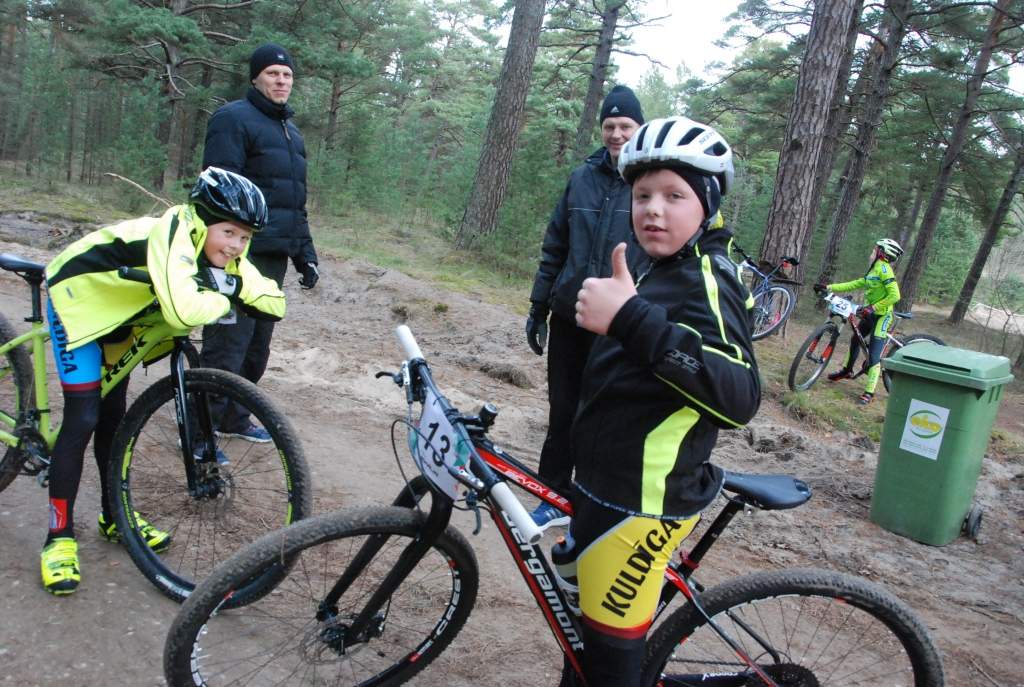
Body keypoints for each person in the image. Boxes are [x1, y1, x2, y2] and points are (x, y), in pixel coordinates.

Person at [562, 116, 760, 686]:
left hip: (644, 498)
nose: (654, 209)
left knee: (611, 663)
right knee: (583, 644)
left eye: (675, 196)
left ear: (707, 204)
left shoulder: (706, 277)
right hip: (604, 483)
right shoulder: (654, 264)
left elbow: (739, 395)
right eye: (643, 194)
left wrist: (628, 318)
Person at [39, 168, 286, 595]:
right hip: (78, 302)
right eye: (228, 232)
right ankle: (57, 538)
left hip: (119, 314)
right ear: (203, 221)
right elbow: (182, 311)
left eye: (245, 238)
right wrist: (225, 293)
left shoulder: (224, 252)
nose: (236, 246)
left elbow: (271, 298)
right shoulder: (175, 229)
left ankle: (114, 517)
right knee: (83, 418)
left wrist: (234, 285)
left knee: (114, 418)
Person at [526, 85, 645, 529]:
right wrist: (539, 306)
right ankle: (551, 496)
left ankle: (594, 509)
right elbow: (555, 244)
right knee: (563, 411)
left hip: (618, 322)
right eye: (610, 126)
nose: (616, 135)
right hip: (570, 313)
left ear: (639, 130)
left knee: (604, 417)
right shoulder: (581, 177)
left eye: (625, 127)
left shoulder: (646, 182)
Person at [199, 42, 318, 443]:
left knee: (256, 347)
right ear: (255, 77)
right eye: (272, 74)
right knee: (226, 343)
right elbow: (218, 188)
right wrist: (222, 249)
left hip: (271, 259)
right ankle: (199, 427)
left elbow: (293, 201)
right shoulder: (233, 119)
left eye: (287, 75)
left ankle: (232, 417)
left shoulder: (291, 132)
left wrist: (305, 255)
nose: (281, 81)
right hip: (235, 253)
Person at [814, 238, 904, 406]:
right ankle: (847, 371)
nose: (872, 251)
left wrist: (874, 307)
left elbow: (895, 296)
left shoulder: (885, 270)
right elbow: (855, 283)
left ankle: (869, 392)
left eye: (875, 249)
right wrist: (829, 287)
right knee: (855, 339)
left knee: (874, 355)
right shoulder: (874, 269)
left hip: (882, 316)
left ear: (882, 253)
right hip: (870, 313)